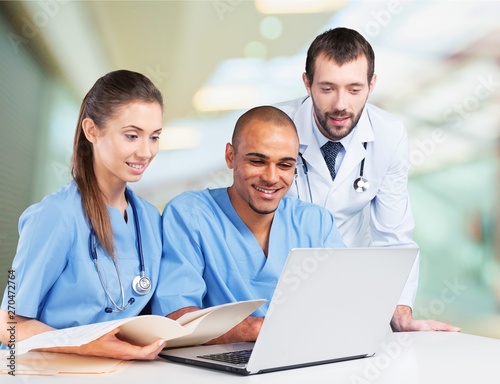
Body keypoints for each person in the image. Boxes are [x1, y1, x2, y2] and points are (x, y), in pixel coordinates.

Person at [275, 27, 460, 332]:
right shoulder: (273, 130)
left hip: (350, 292)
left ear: (372, 85)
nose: (340, 105)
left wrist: (400, 310)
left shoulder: (388, 134)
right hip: (278, 291)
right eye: (327, 88)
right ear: (306, 83)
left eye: (354, 89)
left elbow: (394, 236)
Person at [0, 70, 167, 359]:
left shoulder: (150, 220)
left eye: (154, 137)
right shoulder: (54, 216)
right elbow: (7, 324)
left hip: (120, 371)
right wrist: (83, 344)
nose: (145, 151)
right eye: (131, 135)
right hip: (49, 371)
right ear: (92, 131)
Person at [151, 106, 345, 343]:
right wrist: (257, 330)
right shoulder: (190, 215)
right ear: (230, 156)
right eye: (257, 161)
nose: (271, 177)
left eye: (285, 165)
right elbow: (175, 319)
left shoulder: (315, 223)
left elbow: (341, 308)